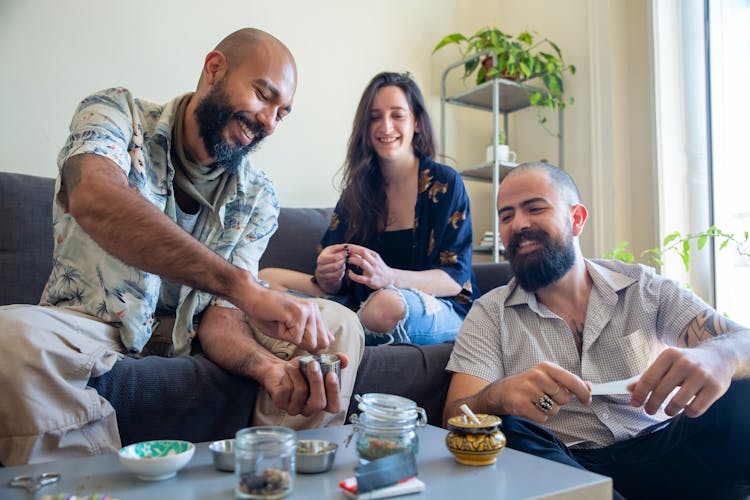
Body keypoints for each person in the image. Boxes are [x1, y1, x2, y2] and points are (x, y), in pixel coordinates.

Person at [0, 28, 364, 466]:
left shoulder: (258, 196)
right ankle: (91, 489)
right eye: (263, 96)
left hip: (189, 336)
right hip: (92, 327)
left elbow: (220, 319)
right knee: (10, 337)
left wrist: (268, 369)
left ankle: (272, 479)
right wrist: (244, 288)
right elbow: (94, 197)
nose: (269, 122)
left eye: (282, 113)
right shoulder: (115, 112)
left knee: (337, 325)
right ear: (214, 69)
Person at [443, 162, 750, 499]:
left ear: (576, 219)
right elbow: (454, 418)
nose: (519, 224)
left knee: (741, 389)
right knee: (511, 430)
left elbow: (743, 341)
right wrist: (498, 396)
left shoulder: (645, 288)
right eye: (506, 216)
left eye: (535, 208)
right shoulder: (489, 313)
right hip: (565, 464)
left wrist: (719, 356)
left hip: (664, 449)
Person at [260, 72, 479, 346]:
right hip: (360, 304)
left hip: (437, 305)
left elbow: (453, 279)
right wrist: (328, 276)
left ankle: (333, 330)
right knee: (266, 279)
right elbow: (331, 284)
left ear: (417, 123)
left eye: (397, 115)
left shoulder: (445, 183)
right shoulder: (357, 191)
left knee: (385, 304)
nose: (385, 127)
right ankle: (335, 327)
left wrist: (388, 277)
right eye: (375, 117)